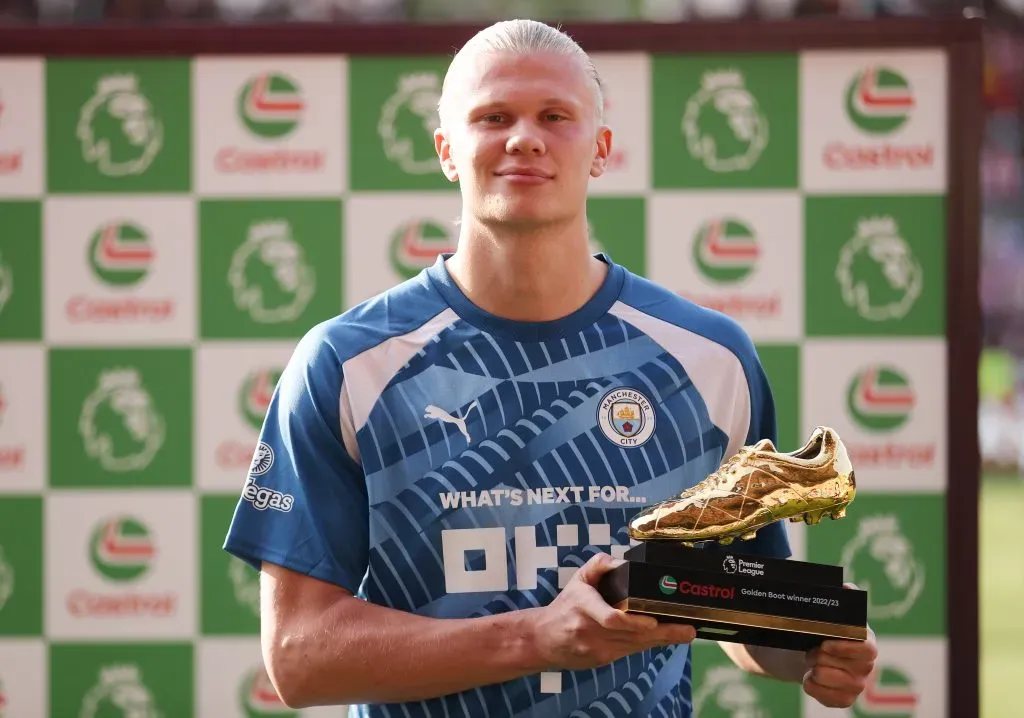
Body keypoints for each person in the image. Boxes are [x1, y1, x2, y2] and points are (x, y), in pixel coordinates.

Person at [222, 18, 878, 717]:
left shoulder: (710, 358)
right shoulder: (347, 363)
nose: (525, 138)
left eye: (555, 116)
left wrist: (816, 646)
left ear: (601, 150)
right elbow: (299, 656)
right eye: (493, 117)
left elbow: (733, 605)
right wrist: (535, 637)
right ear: (447, 151)